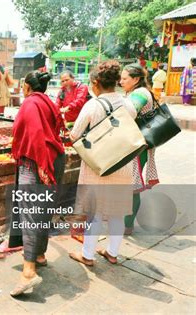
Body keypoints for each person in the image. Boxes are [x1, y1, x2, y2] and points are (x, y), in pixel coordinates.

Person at [68, 60, 136, 267]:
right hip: (123, 164)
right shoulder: (129, 103)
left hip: (98, 166)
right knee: (117, 211)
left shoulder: (93, 105)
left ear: (96, 83)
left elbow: (74, 135)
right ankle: (112, 253)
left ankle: (88, 256)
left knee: (94, 212)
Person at [9, 71, 65, 297]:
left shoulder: (30, 103)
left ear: (26, 86)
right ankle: (40, 254)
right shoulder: (48, 102)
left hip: (37, 162)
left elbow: (34, 134)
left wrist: (41, 165)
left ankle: (29, 271)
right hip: (55, 159)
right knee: (43, 212)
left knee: (30, 214)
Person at [120, 63, 160, 235]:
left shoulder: (140, 93)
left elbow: (129, 111)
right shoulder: (133, 92)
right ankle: (124, 221)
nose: (121, 81)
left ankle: (127, 225)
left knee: (132, 185)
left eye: (124, 78)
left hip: (138, 146)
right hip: (135, 143)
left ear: (136, 79)